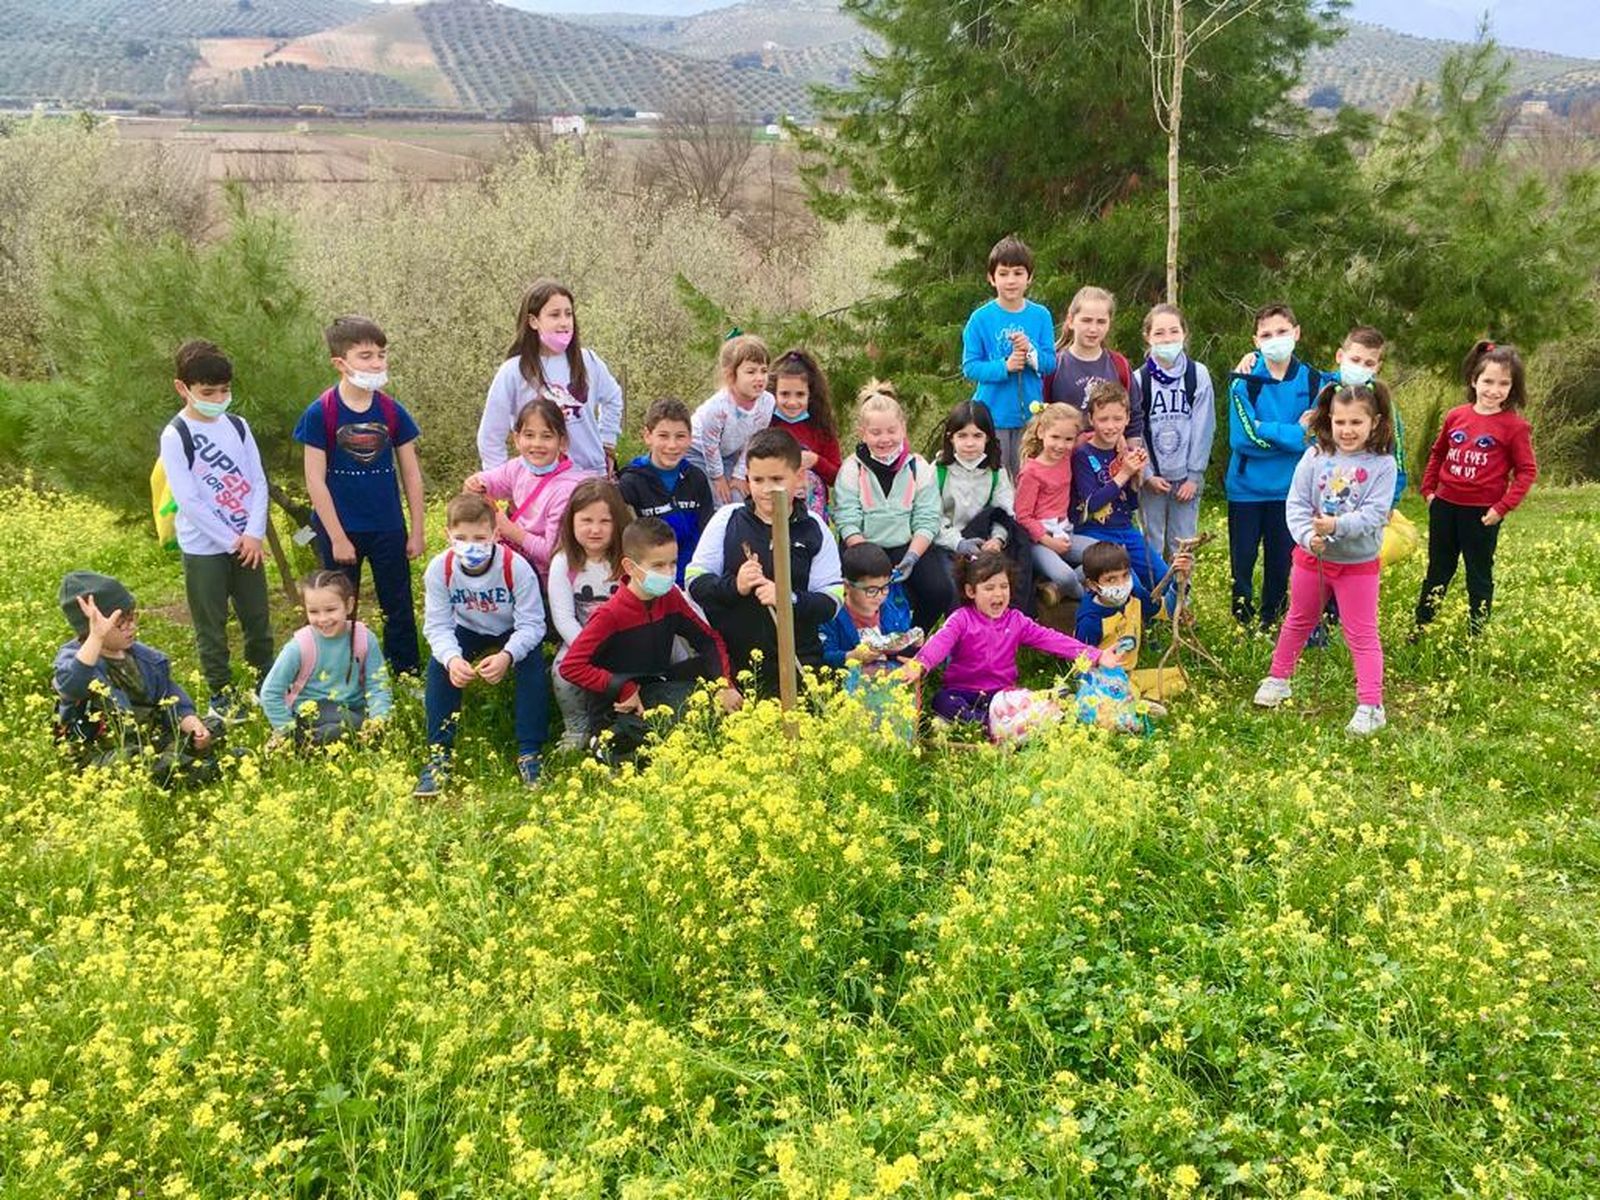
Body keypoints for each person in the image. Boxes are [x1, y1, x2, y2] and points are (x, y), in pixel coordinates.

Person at [1253, 383, 1398, 736]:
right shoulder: (1314, 457)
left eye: (1356, 422)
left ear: (1375, 422)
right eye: (1340, 422)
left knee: (1361, 634)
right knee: (1297, 620)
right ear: (1329, 419)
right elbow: (1297, 504)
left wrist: (1336, 527)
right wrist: (1307, 536)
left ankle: (1371, 705)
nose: (1347, 430)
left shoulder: (1383, 465)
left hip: (1357, 566)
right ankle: (1278, 679)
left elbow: (1374, 514)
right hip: (1311, 559)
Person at [294, 314, 424, 677]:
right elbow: (314, 479)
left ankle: (407, 674)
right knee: (336, 607)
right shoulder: (320, 413)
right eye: (365, 356)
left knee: (398, 605)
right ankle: (341, 675)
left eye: (381, 355)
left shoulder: (391, 410)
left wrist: (416, 530)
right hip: (340, 530)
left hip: (387, 527)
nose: (377, 363)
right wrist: (337, 536)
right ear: (340, 363)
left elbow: (411, 474)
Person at [561, 517, 741, 764]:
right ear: (630, 567)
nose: (668, 573)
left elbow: (709, 640)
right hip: (618, 703)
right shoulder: (610, 614)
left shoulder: (671, 597)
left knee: (725, 668)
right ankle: (607, 741)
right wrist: (622, 687)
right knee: (651, 749)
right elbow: (571, 666)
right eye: (658, 566)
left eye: (673, 563)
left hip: (656, 685)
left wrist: (724, 685)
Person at [158, 339, 274, 718]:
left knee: (257, 618)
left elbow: (258, 481)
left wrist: (253, 534)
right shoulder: (176, 434)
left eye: (224, 391)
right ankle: (221, 694)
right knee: (211, 625)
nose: (218, 399)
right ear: (183, 388)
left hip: (248, 543)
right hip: (204, 547)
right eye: (208, 393)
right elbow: (189, 500)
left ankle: (265, 683)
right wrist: (231, 541)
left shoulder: (238, 426)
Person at [688, 428, 845, 696]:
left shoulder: (815, 529)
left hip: (800, 665)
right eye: (757, 479)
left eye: (776, 479)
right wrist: (735, 585)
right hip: (735, 669)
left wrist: (788, 598)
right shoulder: (726, 519)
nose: (766, 489)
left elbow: (831, 602)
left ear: (799, 477)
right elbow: (694, 583)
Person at [899, 549, 1118, 733]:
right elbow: (940, 642)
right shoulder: (961, 619)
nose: (998, 594)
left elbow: (1052, 639)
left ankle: (995, 722)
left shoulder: (1016, 621)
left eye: (1003, 586)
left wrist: (1096, 655)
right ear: (970, 591)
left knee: (1025, 700)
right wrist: (920, 663)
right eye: (989, 588)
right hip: (962, 691)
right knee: (942, 701)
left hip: (1000, 695)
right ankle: (993, 725)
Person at [417, 494, 548, 795]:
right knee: (439, 668)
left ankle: (530, 751)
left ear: (496, 535)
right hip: (468, 628)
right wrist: (452, 659)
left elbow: (532, 625)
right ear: (448, 535)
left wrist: (508, 655)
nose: (471, 545)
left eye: (479, 538)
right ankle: (439, 755)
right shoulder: (439, 569)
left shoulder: (516, 567)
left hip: (511, 628)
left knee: (531, 665)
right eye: (461, 538)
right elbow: (438, 626)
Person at [52, 571, 224, 786]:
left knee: (212, 726)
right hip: (101, 753)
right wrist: (97, 637)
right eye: (120, 624)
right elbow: (72, 686)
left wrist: (194, 726)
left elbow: (171, 697)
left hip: (147, 738)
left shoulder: (145, 658)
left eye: (132, 618)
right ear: (89, 629)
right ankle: (192, 769)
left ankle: (180, 764)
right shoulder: (75, 661)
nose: (131, 627)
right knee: (130, 761)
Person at [1414, 341, 1538, 635]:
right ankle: (1421, 626)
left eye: (1504, 384)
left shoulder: (1515, 427)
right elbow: (1438, 453)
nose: (1494, 390)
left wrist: (1502, 508)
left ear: (1513, 387)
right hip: (1445, 507)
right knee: (1438, 570)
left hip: (1482, 514)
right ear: (1474, 380)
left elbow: (1526, 471)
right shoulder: (1456, 416)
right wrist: (1429, 491)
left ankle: (1476, 634)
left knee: (1478, 574)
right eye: (1488, 381)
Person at [1225, 302, 1324, 630]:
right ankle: (1241, 619)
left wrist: (1267, 430)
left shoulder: (1315, 382)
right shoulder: (1243, 382)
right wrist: (1295, 433)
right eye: (1266, 335)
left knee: (1281, 560)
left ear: (1296, 333)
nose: (1275, 339)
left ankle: (1272, 618)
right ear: (1256, 341)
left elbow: (1315, 438)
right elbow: (1243, 438)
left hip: (1290, 491)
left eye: (1282, 332)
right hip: (1246, 489)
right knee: (1242, 560)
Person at [831, 380, 954, 629]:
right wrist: (872, 560)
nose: (885, 439)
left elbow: (927, 518)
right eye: (875, 433)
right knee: (864, 594)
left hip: (907, 546)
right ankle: (862, 639)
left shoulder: (918, 467)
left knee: (940, 590)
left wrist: (912, 556)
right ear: (862, 432)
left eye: (891, 431)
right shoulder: (851, 469)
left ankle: (912, 638)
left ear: (903, 429)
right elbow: (847, 519)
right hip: (863, 546)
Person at [478, 280, 623, 477]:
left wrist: (608, 442)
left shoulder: (588, 361)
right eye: (555, 315)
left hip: (591, 478)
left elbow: (613, 398)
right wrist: (501, 480)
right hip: (540, 482)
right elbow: (491, 436)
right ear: (533, 321)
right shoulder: (513, 372)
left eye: (568, 314)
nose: (564, 322)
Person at [960, 235, 1057, 477]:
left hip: (1031, 418)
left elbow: (1050, 363)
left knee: (1028, 478)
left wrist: (1030, 351)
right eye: (1003, 274)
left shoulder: (1041, 316)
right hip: (992, 415)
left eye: (1018, 273)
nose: (1011, 280)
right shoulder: (980, 318)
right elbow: (970, 367)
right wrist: (1005, 366)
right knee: (996, 479)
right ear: (991, 278)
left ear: (1029, 277)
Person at [259, 570, 392, 747]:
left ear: (349, 605)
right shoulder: (300, 645)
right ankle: (302, 743)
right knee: (349, 725)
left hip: (355, 709)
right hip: (314, 711)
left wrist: (379, 721)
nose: (323, 619)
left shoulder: (364, 638)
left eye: (330, 610)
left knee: (353, 727)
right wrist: (287, 731)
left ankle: (325, 741)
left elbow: (378, 685)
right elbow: (270, 692)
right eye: (313, 611)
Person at [548, 479, 630, 750]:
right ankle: (577, 726)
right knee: (562, 671)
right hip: (582, 638)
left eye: (605, 521)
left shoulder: (628, 558)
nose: (595, 530)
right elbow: (563, 617)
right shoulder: (563, 562)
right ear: (571, 521)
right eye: (586, 520)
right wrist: (590, 648)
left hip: (628, 636)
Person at [464, 398, 584, 584]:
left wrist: (509, 530)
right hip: (514, 568)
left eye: (546, 436)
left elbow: (553, 553)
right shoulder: (518, 467)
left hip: (546, 581)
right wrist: (475, 484)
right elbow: (489, 481)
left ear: (562, 442)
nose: (537, 444)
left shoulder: (567, 489)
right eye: (529, 435)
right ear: (517, 439)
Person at [1071, 380, 1173, 597]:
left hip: (1125, 528)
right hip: (1094, 531)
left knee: (1164, 576)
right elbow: (1092, 504)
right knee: (1129, 582)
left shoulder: (1125, 453)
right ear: (1091, 419)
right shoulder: (1083, 455)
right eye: (1103, 419)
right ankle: (1139, 614)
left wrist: (1136, 479)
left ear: (1127, 418)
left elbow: (1131, 504)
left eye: (1117, 419)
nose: (1111, 426)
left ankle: (1165, 612)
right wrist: (1124, 474)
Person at [930, 400, 1034, 611]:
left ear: (988, 438)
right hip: (946, 545)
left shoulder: (996, 472)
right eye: (962, 436)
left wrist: (997, 539)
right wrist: (958, 543)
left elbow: (1003, 511)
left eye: (977, 436)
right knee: (954, 589)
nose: (970, 443)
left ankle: (1001, 627)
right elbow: (932, 517)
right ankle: (959, 629)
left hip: (984, 543)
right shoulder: (939, 470)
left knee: (999, 584)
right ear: (951, 438)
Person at [1132, 305, 1215, 563]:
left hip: (1186, 478)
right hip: (1153, 479)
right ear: (1147, 336)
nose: (1167, 339)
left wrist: (1194, 476)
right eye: (1159, 333)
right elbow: (1135, 430)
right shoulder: (1139, 379)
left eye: (1173, 331)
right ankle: (1154, 589)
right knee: (1152, 542)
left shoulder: (1197, 375)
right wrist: (1147, 475)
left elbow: (1203, 427)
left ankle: (1181, 588)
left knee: (1183, 543)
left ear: (1184, 333)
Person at [1075, 540, 1191, 703]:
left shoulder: (1135, 595)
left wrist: (1180, 581)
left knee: (1181, 675)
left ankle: (1149, 701)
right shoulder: (1090, 620)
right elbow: (1081, 667)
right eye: (1111, 580)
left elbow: (1167, 611)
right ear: (1093, 585)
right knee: (1125, 696)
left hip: (1131, 675)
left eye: (1125, 575)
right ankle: (1136, 702)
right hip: (1107, 682)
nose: (1121, 584)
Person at [617, 397, 716, 583]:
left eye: (680, 436)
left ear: (690, 437)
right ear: (648, 436)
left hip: (693, 578)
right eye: (663, 436)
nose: (672, 445)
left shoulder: (697, 478)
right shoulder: (630, 483)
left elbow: (707, 536)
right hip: (653, 582)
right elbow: (628, 544)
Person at [1048, 285, 1145, 444]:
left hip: (1111, 455)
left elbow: (1134, 415)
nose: (1093, 329)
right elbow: (1042, 415)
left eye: (1101, 322)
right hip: (1064, 454)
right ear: (1071, 321)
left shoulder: (1119, 365)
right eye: (1086, 320)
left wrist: (1132, 451)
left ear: (1109, 324)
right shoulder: (1054, 365)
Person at [686, 333, 774, 504]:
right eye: (751, 372)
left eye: (763, 371)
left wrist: (739, 475)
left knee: (737, 499)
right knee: (718, 499)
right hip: (697, 451)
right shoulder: (717, 407)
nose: (759, 378)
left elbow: (753, 441)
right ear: (731, 375)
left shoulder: (767, 402)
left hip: (727, 455)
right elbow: (710, 446)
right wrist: (718, 478)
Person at [1014, 401, 1085, 604]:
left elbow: (1089, 437)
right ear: (1041, 432)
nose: (1061, 445)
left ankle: (1056, 590)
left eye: (1068, 439)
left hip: (1065, 532)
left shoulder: (1066, 456)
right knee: (1066, 577)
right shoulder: (1031, 472)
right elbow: (1022, 516)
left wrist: (1121, 441)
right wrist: (1048, 541)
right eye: (1055, 437)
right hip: (1039, 541)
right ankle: (1084, 598)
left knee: (1109, 555)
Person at [819, 542, 919, 671]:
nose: (880, 596)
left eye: (885, 588)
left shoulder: (889, 609)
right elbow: (826, 655)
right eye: (872, 590)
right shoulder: (833, 615)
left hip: (886, 674)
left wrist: (913, 643)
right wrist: (851, 656)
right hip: (849, 676)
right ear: (847, 586)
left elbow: (900, 640)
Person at [768, 347, 841, 516]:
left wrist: (815, 461)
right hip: (772, 508)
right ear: (773, 393)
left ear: (811, 395)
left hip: (812, 514)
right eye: (785, 394)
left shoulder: (821, 427)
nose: (792, 402)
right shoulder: (766, 423)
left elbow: (837, 477)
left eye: (800, 395)